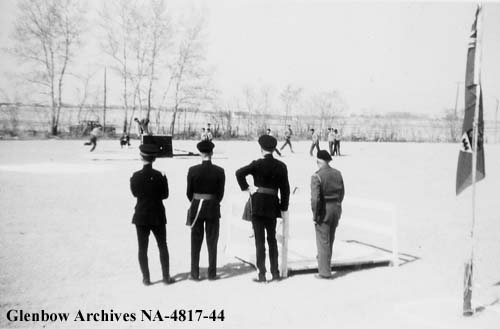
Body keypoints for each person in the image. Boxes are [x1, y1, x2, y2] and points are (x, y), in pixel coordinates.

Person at [235, 135, 290, 282]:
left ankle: (262, 274)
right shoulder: (281, 166)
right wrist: (283, 206)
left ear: (261, 149)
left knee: (259, 241)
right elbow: (285, 190)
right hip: (272, 206)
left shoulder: (257, 164)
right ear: (273, 149)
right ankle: (276, 273)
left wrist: (246, 188)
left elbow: (239, 173)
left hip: (258, 205)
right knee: (272, 240)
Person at [130, 144, 174, 286]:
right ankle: (166, 277)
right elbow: (165, 195)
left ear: (141, 157)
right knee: (162, 245)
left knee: (142, 248)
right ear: (154, 158)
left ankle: (146, 278)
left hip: (141, 215)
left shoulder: (135, 176)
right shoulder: (160, 176)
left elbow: (135, 193)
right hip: (157, 215)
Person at [186, 140, 225, 281]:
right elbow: (220, 194)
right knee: (212, 241)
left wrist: (196, 201)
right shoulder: (220, 171)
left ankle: (194, 273)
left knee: (195, 242)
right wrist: (212, 202)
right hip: (213, 208)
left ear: (200, 153)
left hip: (196, 208)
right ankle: (212, 273)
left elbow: (188, 193)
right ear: (212, 153)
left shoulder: (192, 170)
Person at [311, 150, 345, 279]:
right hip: (336, 208)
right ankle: (325, 265)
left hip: (324, 210)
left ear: (319, 161)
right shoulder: (338, 173)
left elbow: (315, 199)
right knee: (330, 239)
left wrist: (315, 215)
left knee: (323, 242)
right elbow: (342, 193)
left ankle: (324, 272)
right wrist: (337, 206)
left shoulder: (316, 176)